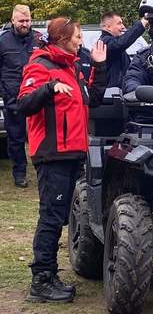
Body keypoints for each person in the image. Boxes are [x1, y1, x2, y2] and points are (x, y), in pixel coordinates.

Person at [17, 17, 107, 303]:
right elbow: (24, 104)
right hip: (52, 154)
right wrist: (48, 88)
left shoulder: (71, 68)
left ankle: (50, 274)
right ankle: (41, 280)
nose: (81, 40)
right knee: (51, 217)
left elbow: (91, 99)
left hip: (73, 152)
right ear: (61, 38)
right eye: (78, 36)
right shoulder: (41, 66)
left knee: (60, 218)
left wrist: (99, 66)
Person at [0, 4, 42, 187]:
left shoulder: (39, 40)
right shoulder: (3, 42)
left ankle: (43, 168)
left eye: (28, 20)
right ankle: (19, 172)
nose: (25, 24)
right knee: (15, 137)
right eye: (21, 21)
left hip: (37, 94)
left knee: (41, 134)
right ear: (13, 21)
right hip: (13, 94)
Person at [100, 11, 148, 87]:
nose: (123, 27)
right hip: (113, 95)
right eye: (119, 23)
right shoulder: (105, 43)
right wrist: (142, 23)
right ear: (108, 27)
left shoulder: (115, 45)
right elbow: (121, 43)